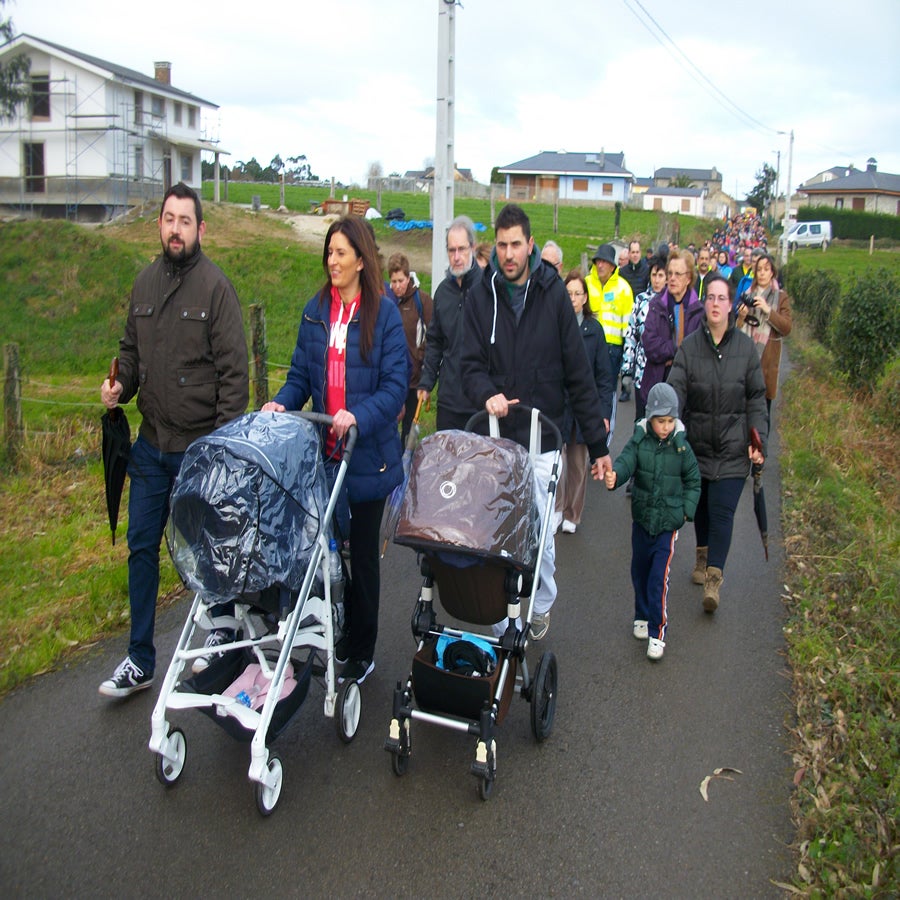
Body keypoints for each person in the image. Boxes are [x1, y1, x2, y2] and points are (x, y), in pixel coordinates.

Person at [98, 183, 249, 698]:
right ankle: (140, 660)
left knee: (207, 550)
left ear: (200, 229)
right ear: (158, 225)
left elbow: (235, 375)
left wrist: (222, 450)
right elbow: (131, 356)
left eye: (186, 220)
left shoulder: (215, 289)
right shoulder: (143, 286)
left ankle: (225, 635)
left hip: (198, 451)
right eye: (169, 219)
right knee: (141, 546)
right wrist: (120, 385)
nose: (176, 229)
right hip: (150, 446)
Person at [262, 216, 408, 685]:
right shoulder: (315, 311)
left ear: (361, 260)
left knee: (362, 556)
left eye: (341, 253)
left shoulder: (382, 315)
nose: (332, 261)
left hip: (367, 458)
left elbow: (394, 387)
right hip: (325, 456)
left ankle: (362, 649)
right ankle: (329, 629)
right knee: (323, 552)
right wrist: (281, 403)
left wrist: (358, 416)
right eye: (329, 252)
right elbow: (302, 378)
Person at [462, 204, 612, 641]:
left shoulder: (553, 297)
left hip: (544, 438)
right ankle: (500, 620)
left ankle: (541, 602)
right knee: (495, 532)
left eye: (516, 245)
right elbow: (467, 364)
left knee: (541, 535)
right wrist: (484, 393)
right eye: (502, 245)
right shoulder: (480, 296)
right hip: (496, 440)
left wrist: (599, 448)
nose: (509, 254)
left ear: (530, 245)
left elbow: (579, 374)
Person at [666, 274, 768, 612]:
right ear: (704, 303)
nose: (714, 304)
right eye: (709, 297)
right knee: (702, 510)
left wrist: (758, 439)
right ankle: (701, 555)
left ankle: (713, 577)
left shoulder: (745, 349)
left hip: (734, 449)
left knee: (723, 512)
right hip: (696, 447)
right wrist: (667, 420)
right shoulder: (690, 347)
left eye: (721, 298)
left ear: (730, 305)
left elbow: (756, 397)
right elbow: (676, 388)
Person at [604, 382, 700, 660]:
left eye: (671, 421)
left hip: (667, 525)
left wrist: (685, 512)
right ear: (650, 419)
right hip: (642, 519)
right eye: (661, 421)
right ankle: (641, 615)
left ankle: (658, 632)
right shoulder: (640, 441)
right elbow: (625, 462)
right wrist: (615, 478)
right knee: (640, 571)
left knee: (658, 578)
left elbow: (694, 481)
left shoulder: (682, 448)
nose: (666, 427)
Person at [557, 269, 614, 534]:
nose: (572, 298)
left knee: (578, 463)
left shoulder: (595, 331)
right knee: (557, 460)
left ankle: (572, 512)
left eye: (578, 293)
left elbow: (604, 376)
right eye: (568, 293)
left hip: (583, 407)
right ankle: (555, 508)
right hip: (559, 405)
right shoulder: (555, 324)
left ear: (585, 297)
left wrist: (603, 412)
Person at [418, 215, 481, 430]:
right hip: (449, 401)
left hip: (480, 402)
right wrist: (426, 383)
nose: (457, 257)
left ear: (472, 248)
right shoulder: (443, 292)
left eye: (462, 249)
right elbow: (435, 341)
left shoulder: (489, 289)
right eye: (451, 250)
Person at [639, 249, 703, 409]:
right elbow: (649, 344)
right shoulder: (656, 305)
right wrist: (676, 348)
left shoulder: (699, 312)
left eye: (678, 274)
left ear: (688, 278)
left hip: (686, 390)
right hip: (657, 383)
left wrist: (671, 356)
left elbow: (696, 353)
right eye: (670, 273)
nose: (672, 278)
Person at [735, 252, 792, 421]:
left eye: (766, 269)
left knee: (762, 416)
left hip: (767, 365)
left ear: (772, 272)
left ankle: (762, 447)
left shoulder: (781, 296)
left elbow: (786, 327)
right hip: (746, 363)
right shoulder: (747, 294)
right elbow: (736, 331)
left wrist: (768, 311)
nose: (762, 273)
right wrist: (741, 316)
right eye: (759, 269)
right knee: (743, 414)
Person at [386, 252, 433, 443]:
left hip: (414, 379)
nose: (398, 286)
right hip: (391, 378)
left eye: (401, 280)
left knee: (409, 429)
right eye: (394, 281)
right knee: (388, 425)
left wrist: (422, 358)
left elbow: (434, 336)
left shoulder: (422, 301)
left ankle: (408, 461)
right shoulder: (386, 301)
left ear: (408, 277)